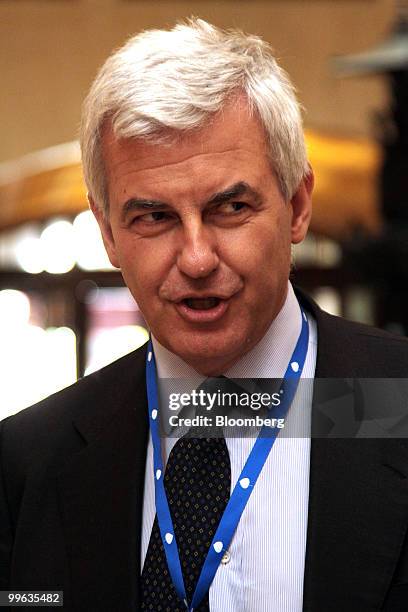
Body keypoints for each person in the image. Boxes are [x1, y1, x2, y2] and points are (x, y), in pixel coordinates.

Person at [1, 18, 408, 612]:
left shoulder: (393, 404)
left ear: (297, 206)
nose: (196, 259)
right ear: (109, 235)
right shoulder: (30, 460)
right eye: (153, 218)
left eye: (231, 208)